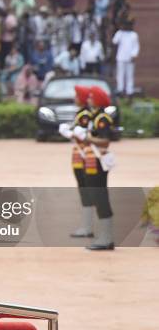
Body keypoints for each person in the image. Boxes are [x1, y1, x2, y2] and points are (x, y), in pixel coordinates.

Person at [81, 86, 115, 250]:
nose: (88, 99)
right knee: (96, 196)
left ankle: (107, 238)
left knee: (101, 197)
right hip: (91, 161)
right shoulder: (94, 117)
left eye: (91, 97)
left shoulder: (102, 118)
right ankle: (104, 236)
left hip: (99, 163)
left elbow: (106, 141)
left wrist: (89, 138)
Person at [59, 86, 95, 237]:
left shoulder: (85, 114)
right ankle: (86, 225)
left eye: (77, 95)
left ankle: (87, 227)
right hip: (78, 156)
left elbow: (84, 135)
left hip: (84, 157)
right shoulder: (81, 113)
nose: (75, 98)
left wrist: (70, 133)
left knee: (85, 189)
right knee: (83, 189)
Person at [112, 21, 140, 100]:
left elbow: (136, 47)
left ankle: (129, 92)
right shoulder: (120, 33)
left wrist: (134, 55)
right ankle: (120, 90)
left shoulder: (134, 35)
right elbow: (114, 41)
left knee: (129, 76)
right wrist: (120, 31)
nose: (127, 26)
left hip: (130, 58)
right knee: (120, 75)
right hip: (120, 57)